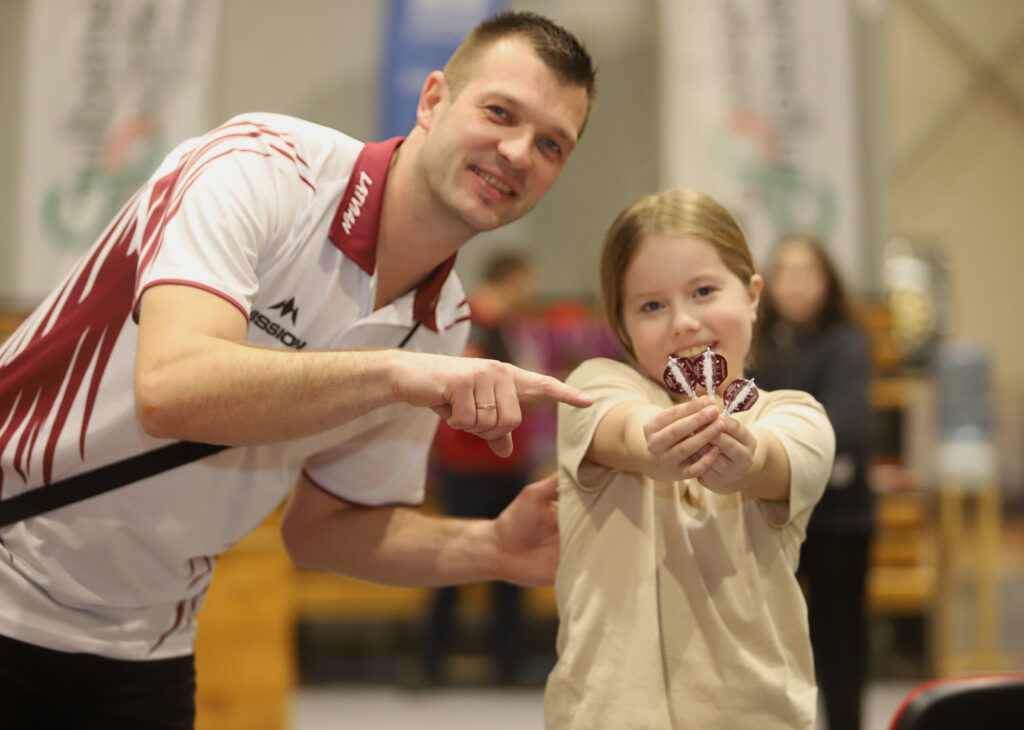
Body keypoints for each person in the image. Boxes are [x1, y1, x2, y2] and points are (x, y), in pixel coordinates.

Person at [0, 11, 596, 728]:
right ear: (434, 100)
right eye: (500, 112)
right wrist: (392, 374)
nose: (518, 152)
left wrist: (492, 547)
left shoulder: (444, 323)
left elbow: (324, 528)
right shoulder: (262, 168)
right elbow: (172, 389)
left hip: (147, 645)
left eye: (551, 144)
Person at [543, 189, 836, 729]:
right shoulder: (593, 386)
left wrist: (744, 463)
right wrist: (651, 446)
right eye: (651, 305)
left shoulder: (797, 416)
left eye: (703, 291)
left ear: (752, 295)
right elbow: (628, 433)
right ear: (622, 326)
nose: (682, 321)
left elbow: (774, 458)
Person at [750, 234, 876, 730]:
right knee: (766, 642)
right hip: (771, 515)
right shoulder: (757, 345)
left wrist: (772, 448)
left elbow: (845, 429)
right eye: (786, 271)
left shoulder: (847, 342)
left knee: (839, 641)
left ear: (828, 281)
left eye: (808, 271)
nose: (797, 284)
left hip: (840, 520)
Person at [423, 251, 537, 685]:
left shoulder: (506, 325)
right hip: (470, 465)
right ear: (512, 278)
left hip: (506, 464)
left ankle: (507, 663)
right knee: (454, 561)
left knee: (510, 563)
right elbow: (468, 389)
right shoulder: (474, 321)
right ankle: (431, 660)